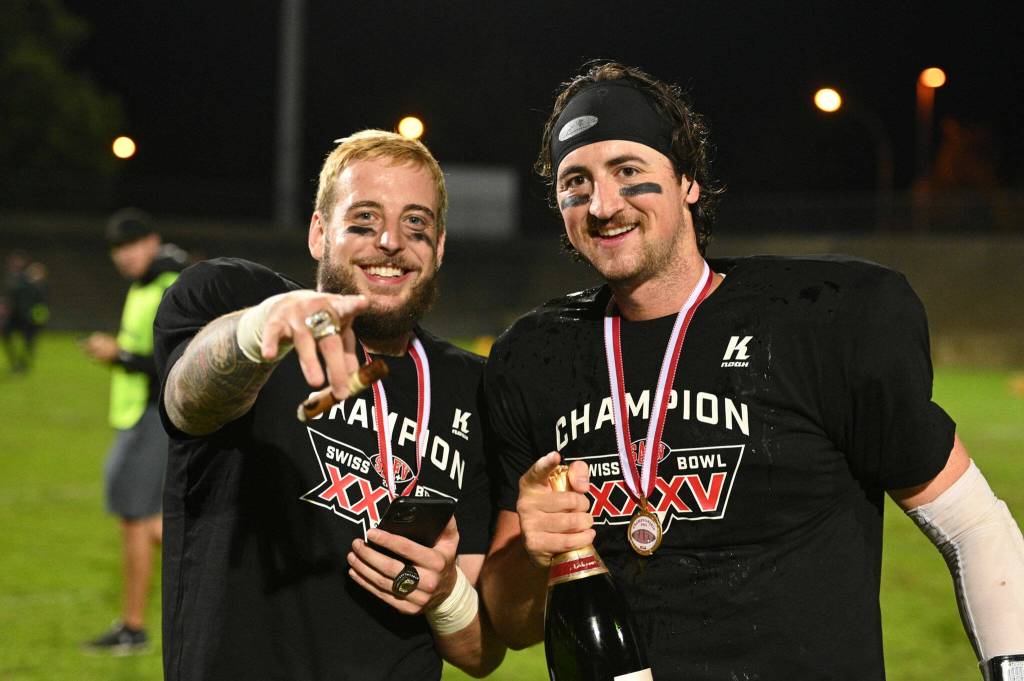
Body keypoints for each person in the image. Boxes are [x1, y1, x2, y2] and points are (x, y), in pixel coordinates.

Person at [480, 62, 1024, 680]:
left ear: (687, 180)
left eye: (628, 171)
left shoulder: (817, 321)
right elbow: (512, 622)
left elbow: (975, 529)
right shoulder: (533, 358)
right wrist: (532, 548)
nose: (603, 204)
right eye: (576, 181)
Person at [153, 130, 505, 680]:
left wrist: (446, 596)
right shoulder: (233, 300)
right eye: (363, 220)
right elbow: (187, 403)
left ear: (438, 247)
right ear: (319, 233)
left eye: (416, 224)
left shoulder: (474, 389)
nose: (390, 240)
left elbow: (482, 656)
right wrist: (257, 333)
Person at [81, 210, 187, 653]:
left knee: (135, 518)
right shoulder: (145, 285)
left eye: (131, 246)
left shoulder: (167, 287)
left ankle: (134, 627)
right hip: (135, 415)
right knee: (152, 522)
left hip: (152, 415)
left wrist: (117, 356)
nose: (124, 257)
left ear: (152, 241)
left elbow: (172, 362)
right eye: (117, 251)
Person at [2, 251, 48, 373]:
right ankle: (15, 361)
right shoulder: (12, 277)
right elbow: (10, 295)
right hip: (14, 314)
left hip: (26, 315)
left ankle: (24, 363)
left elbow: (39, 297)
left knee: (29, 339)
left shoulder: (26, 278)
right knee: (6, 335)